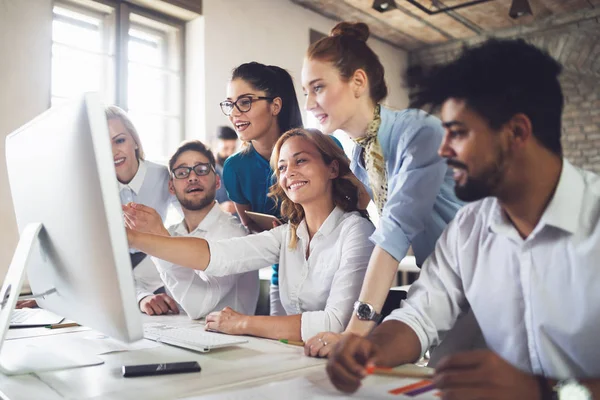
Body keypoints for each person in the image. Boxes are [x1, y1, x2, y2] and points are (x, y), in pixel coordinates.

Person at [326, 38, 600, 398]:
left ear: (517, 132)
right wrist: (371, 348)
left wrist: (544, 392)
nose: (443, 149)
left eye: (458, 133)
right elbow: (420, 316)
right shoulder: (469, 228)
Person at [301, 22, 463, 357]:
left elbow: (395, 231)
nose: (310, 103)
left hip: (486, 277)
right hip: (441, 286)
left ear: (358, 82)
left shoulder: (419, 133)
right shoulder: (361, 155)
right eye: (306, 91)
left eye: (318, 88)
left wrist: (355, 331)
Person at [127, 128, 375, 341]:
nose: (289, 173)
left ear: (332, 169)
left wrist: (244, 323)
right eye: (282, 167)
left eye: (301, 161)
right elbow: (219, 256)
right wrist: (136, 237)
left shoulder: (356, 231)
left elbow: (336, 322)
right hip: (298, 357)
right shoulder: (288, 235)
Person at [123, 140, 259, 318]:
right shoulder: (173, 233)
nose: (192, 177)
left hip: (229, 343)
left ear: (217, 181)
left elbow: (198, 306)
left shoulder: (233, 235)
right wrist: (144, 297)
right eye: (182, 172)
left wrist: (159, 237)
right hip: (183, 337)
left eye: (201, 170)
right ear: (171, 187)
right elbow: (133, 281)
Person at [106, 105, 179, 314]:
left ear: (135, 141)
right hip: (113, 270)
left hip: (153, 266)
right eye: (103, 145)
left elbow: (191, 222)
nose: (112, 152)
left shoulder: (163, 176)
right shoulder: (95, 187)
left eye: (119, 140)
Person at [214, 126, 238, 215]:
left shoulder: (237, 168)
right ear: (215, 144)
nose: (229, 153)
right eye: (225, 148)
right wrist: (219, 208)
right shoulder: (205, 171)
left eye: (233, 149)